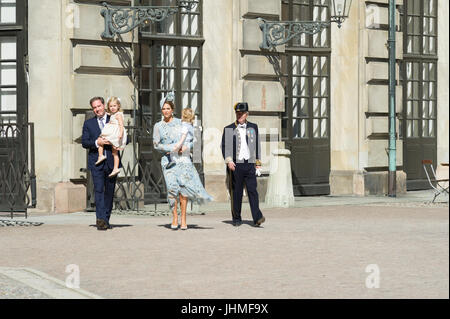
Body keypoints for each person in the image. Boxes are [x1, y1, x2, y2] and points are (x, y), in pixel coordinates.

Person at [153, 93, 213, 230]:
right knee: (172, 189)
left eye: (168, 108)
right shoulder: (158, 126)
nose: (165, 111)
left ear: (172, 109)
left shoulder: (181, 122)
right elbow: (156, 145)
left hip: (183, 160)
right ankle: (174, 216)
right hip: (168, 161)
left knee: (183, 190)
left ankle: (184, 218)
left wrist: (187, 147)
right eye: (163, 109)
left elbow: (194, 139)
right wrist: (171, 148)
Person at [220, 102, 265, 227]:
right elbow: (225, 147)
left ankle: (257, 218)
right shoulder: (229, 128)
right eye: (238, 113)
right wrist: (229, 161)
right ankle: (236, 218)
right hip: (236, 165)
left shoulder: (253, 127)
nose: (239, 115)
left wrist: (258, 162)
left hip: (249, 163)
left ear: (247, 114)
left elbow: (257, 145)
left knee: (253, 191)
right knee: (237, 192)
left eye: (242, 113)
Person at [82, 96, 121, 231]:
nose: (97, 109)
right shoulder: (89, 124)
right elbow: (84, 142)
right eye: (94, 107)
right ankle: (100, 219)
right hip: (97, 162)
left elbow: (125, 137)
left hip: (111, 161)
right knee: (98, 190)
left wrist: (114, 141)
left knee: (109, 191)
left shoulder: (114, 119)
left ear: (104, 105)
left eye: (99, 106)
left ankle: (106, 219)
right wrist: (97, 142)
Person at [95, 97, 127, 178]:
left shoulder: (118, 115)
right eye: (110, 106)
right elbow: (110, 115)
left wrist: (120, 134)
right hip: (113, 132)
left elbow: (121, 125)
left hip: (115, 133)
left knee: (101, 138)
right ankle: (114, 167)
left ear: (118, 106)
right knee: (114, 152)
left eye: (114, 106)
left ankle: (101, 155)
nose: (112, 108)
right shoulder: (113, 114)